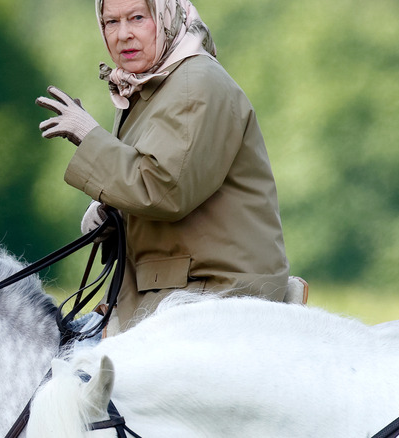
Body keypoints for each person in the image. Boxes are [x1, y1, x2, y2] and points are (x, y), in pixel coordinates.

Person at [36, 0, 290, 334]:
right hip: (175, 295)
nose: (123, 34)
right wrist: (112, 210)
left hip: (216, 298)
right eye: (111, 22)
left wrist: (89, 135)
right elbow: (159, 180)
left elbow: (165, 190)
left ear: (167, 17)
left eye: (137, 18)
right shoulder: (152, 85)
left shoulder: (194, 83)